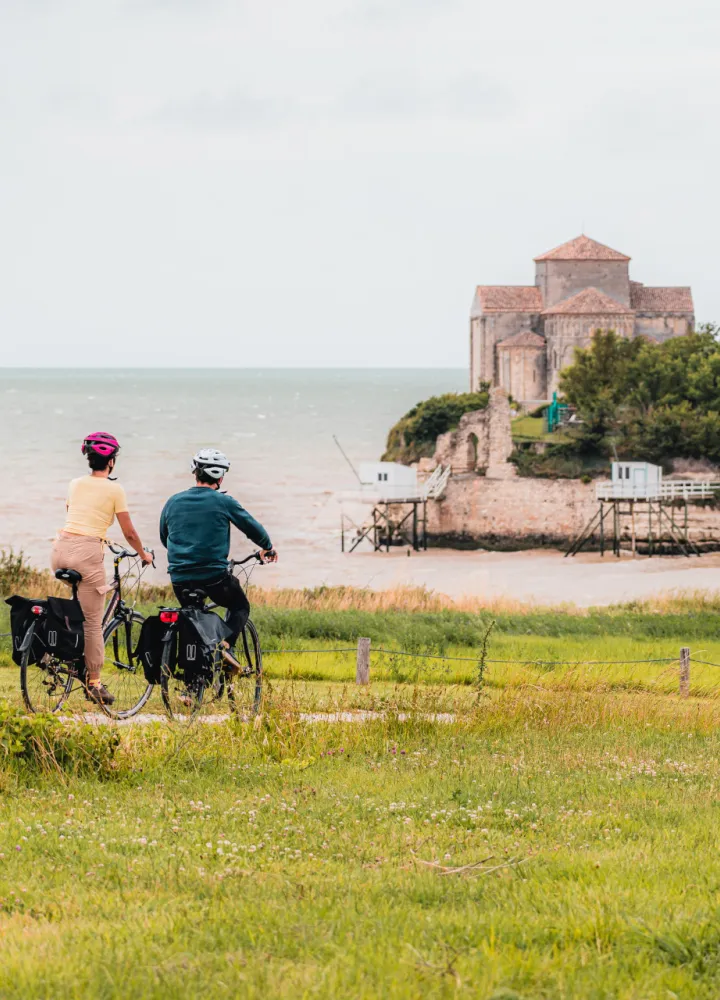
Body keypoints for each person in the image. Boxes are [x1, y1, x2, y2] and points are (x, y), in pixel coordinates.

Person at [51, 432, 153, 706]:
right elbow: (129, 532)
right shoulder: (114, 489)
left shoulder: (75, 483)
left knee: (80, 610)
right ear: (111, 463)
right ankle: (94, 681)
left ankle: (64, 652)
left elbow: (74, 511)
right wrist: (144, 554)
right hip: (87, 553)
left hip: (60, 550)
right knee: (94, 622)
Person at [159, 449, 277, 652]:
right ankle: (225, 646)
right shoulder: (224, 501)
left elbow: (165, 537)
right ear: (220, 478)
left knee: (192, 617)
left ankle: (194, 675)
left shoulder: (173, 502)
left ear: (195, 472)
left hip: (179, 578)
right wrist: (267, 547)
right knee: (240, 606)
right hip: (213, 577)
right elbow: (252, 528)